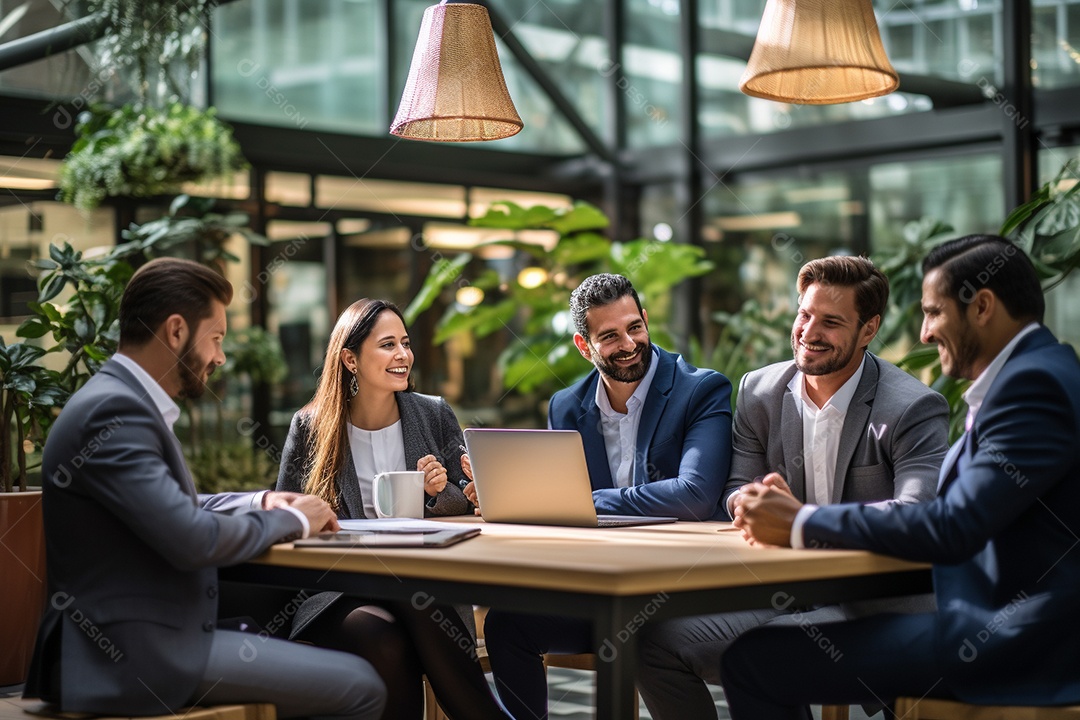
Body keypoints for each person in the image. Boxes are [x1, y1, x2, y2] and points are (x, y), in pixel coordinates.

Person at [722, 235, 1080, 718]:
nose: (926, 334)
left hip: (1026, 640)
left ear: (983, 307)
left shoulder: (1032, 386)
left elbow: (950, 526)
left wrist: (801, 522)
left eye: (934, 313)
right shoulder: (1038, 373)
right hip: (1005, 625)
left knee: (754, 661)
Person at [23, 258, 386, 720]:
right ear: (176, 331)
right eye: (215, 338)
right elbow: (191, 537)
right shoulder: (115, 411)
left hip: (149, 639)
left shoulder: (116, 400)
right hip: (135, 656)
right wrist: (294, 520)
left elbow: (178, 507)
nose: (220, 356)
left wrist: (262, 500)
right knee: (361, 685)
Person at [636, 255, 950, 719]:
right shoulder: (759, 391)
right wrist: (750, 500)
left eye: (831, 321)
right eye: (804, 314)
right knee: (655, 642)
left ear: (868, 330)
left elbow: (916, 513)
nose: (809, 331)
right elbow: (736, 487)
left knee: (763, 655)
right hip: (784, 596)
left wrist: (800, 521)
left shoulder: (911, 407)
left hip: (876, 605)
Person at [480, 273, 734, 720]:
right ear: (584, 346)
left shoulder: (700, 390)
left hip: (679, 591)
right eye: (610, 336)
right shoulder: (566, 406)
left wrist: (591, 500)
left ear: (646, 320)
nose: (629, 343)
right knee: (506, 623)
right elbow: (560, 511)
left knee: (642, 637)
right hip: (602, 590)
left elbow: (694, 495)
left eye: (635, 327)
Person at [276, 298, 507, 720]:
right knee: (381, 634)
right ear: (350, 358)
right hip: (338, 589)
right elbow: (286, 517)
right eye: (387, 345)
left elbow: (471, 499)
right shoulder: (310, 427)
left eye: (405, 342)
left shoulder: (433, 414)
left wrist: (438, 492)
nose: (403, 355)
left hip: (417, 582)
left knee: (399, 622)